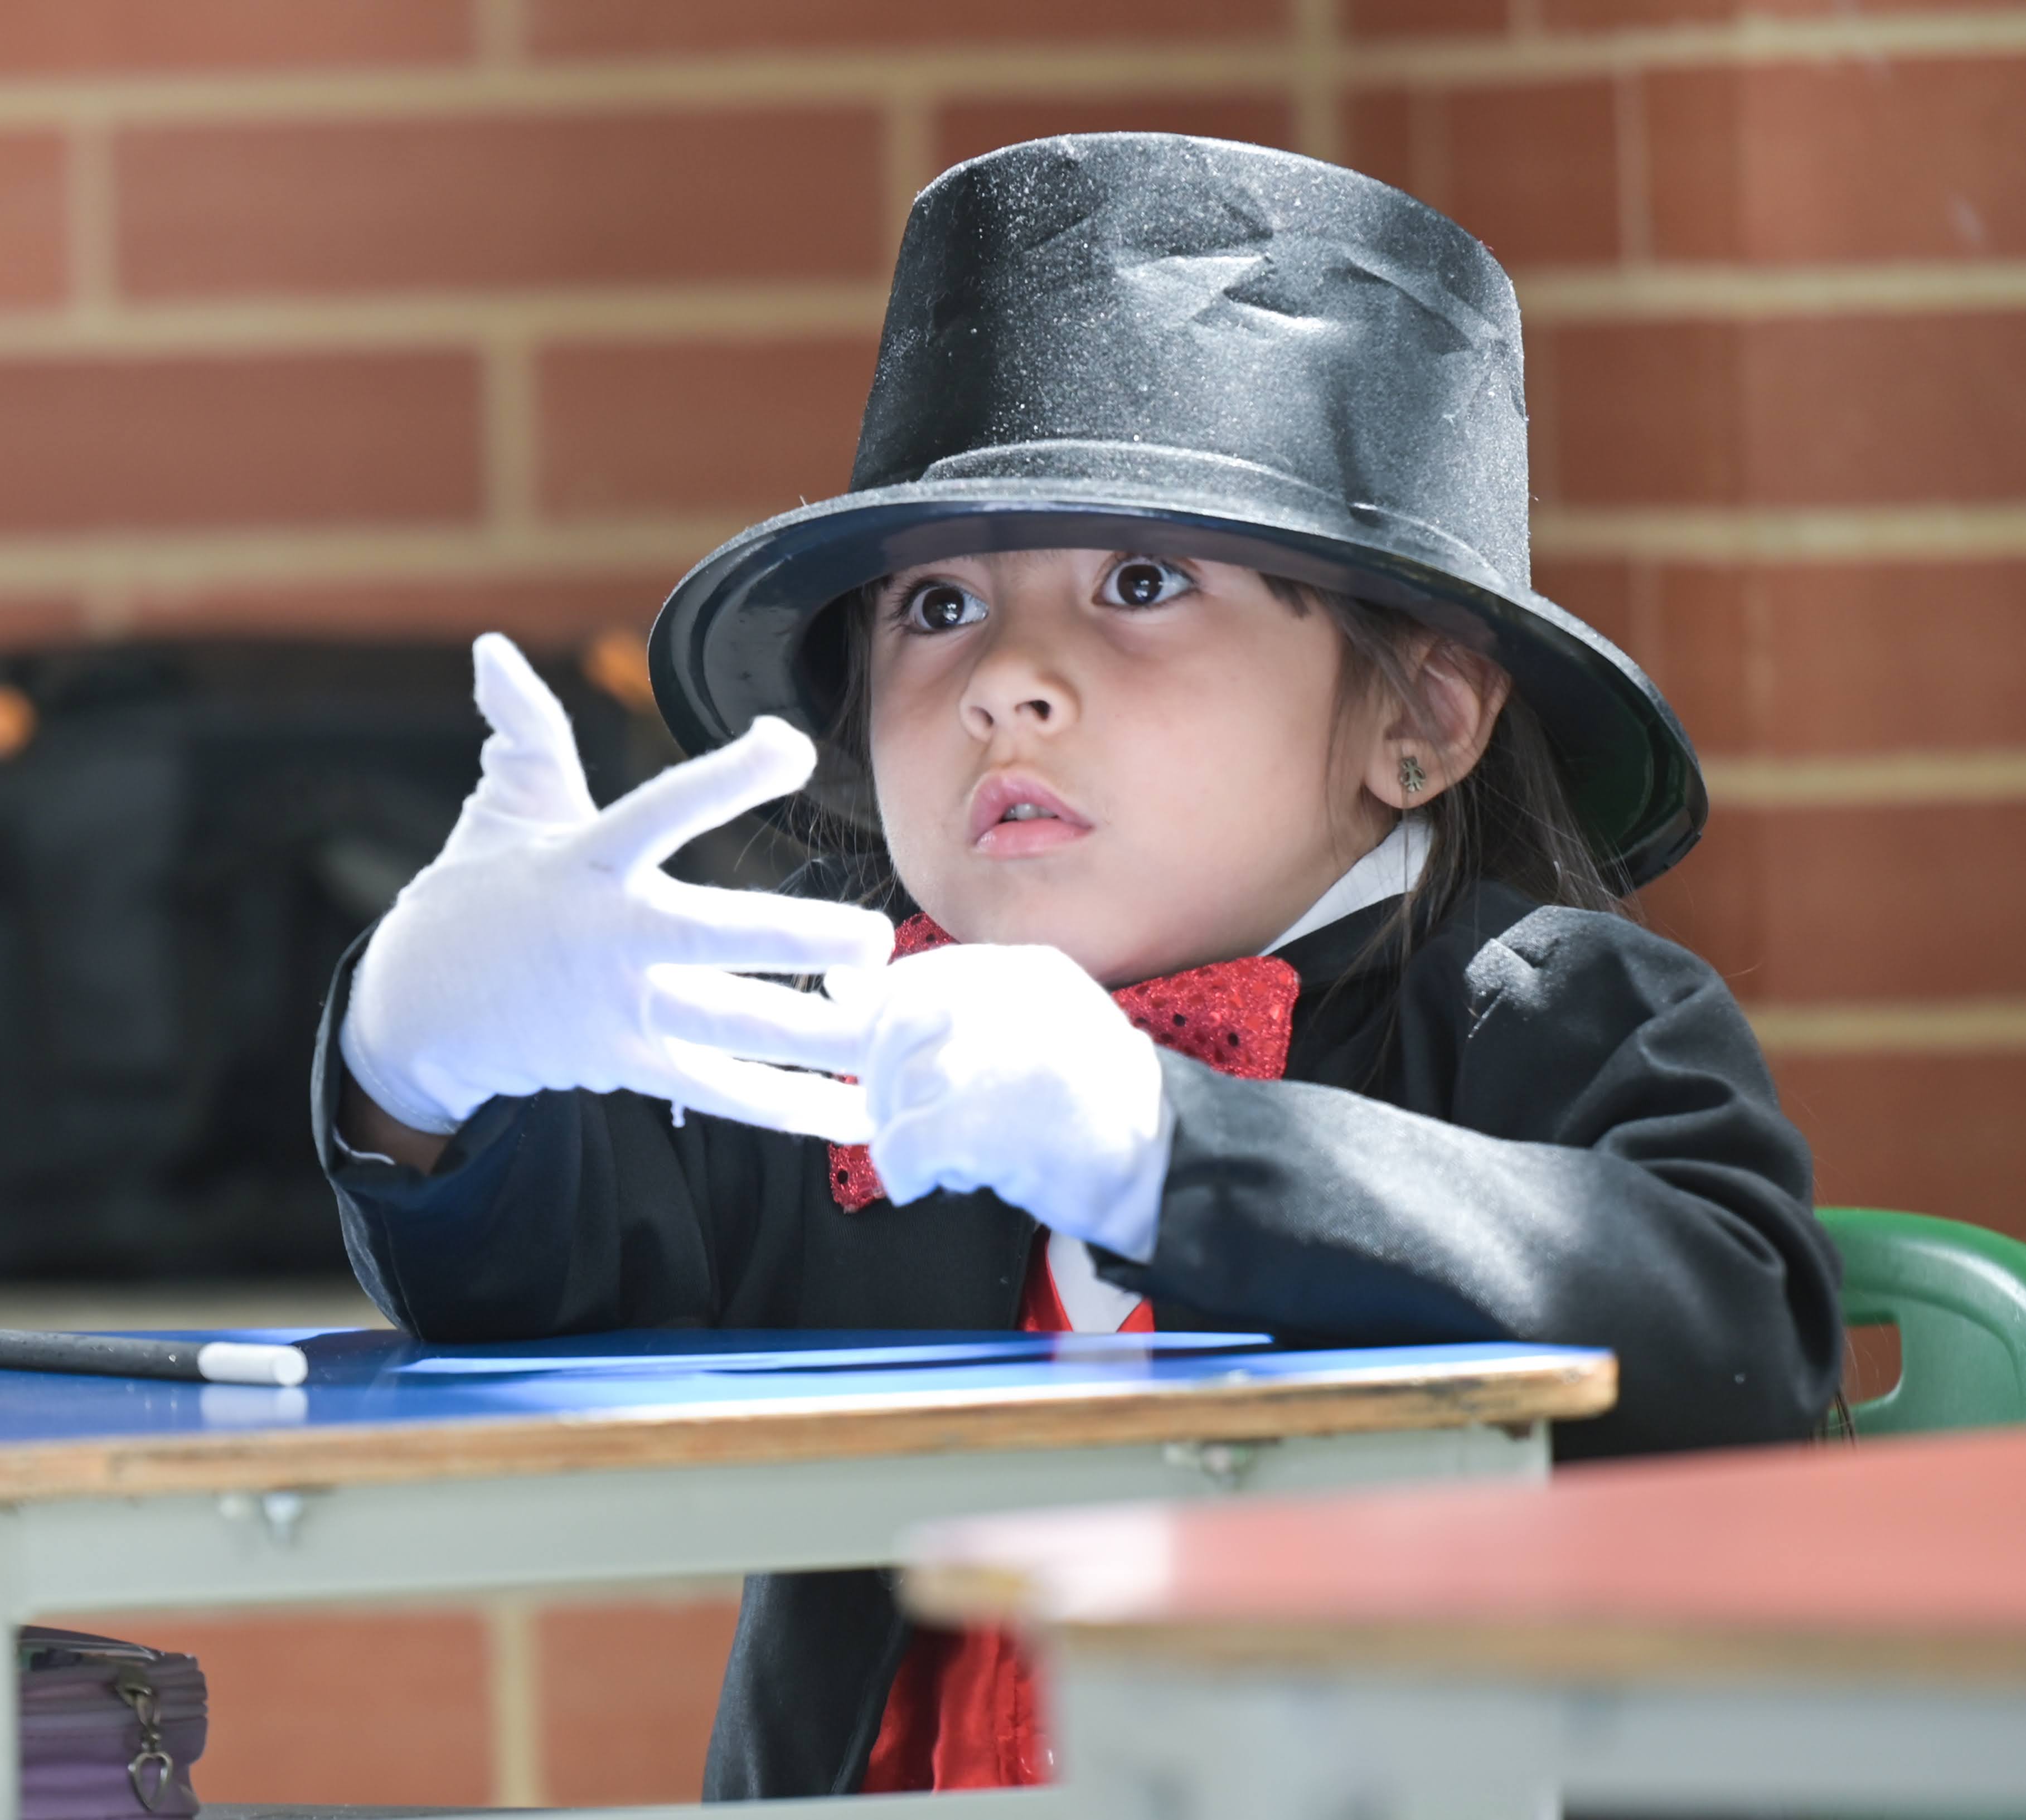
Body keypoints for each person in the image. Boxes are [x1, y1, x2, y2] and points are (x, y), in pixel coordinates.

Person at [311, 135, 1841, 1799]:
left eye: (1137, 582)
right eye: (937, 605)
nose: (1007, 683)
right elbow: (546, 1292)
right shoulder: (836, 1046)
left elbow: (1729, 1345)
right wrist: (422, 1064)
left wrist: (1169, 1143)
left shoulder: (1555, 1015)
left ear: (1419, 717)